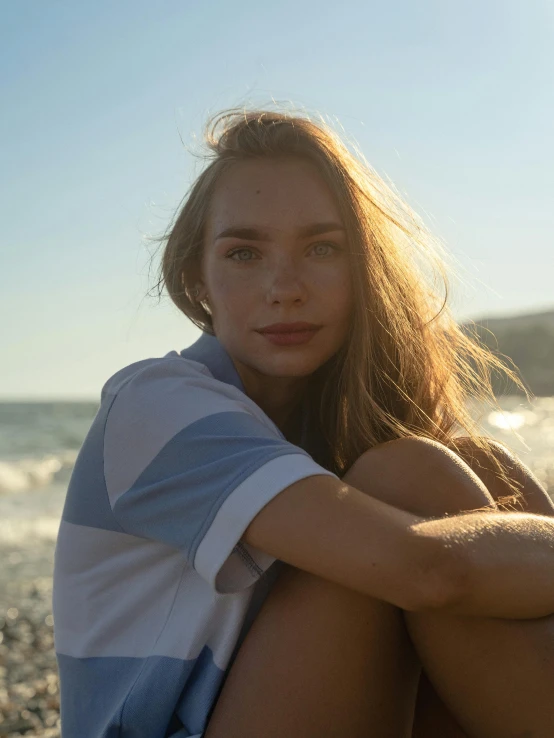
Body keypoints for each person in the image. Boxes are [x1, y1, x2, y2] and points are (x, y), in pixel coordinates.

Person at [52, 108, 554, 738]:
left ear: (362, 270)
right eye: (243, 252)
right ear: (195, 278)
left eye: (321, 248)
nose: (284, 287)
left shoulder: (338, 423)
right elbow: (431, 571)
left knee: (479, 463)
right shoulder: (155, 405)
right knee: (413, 479)